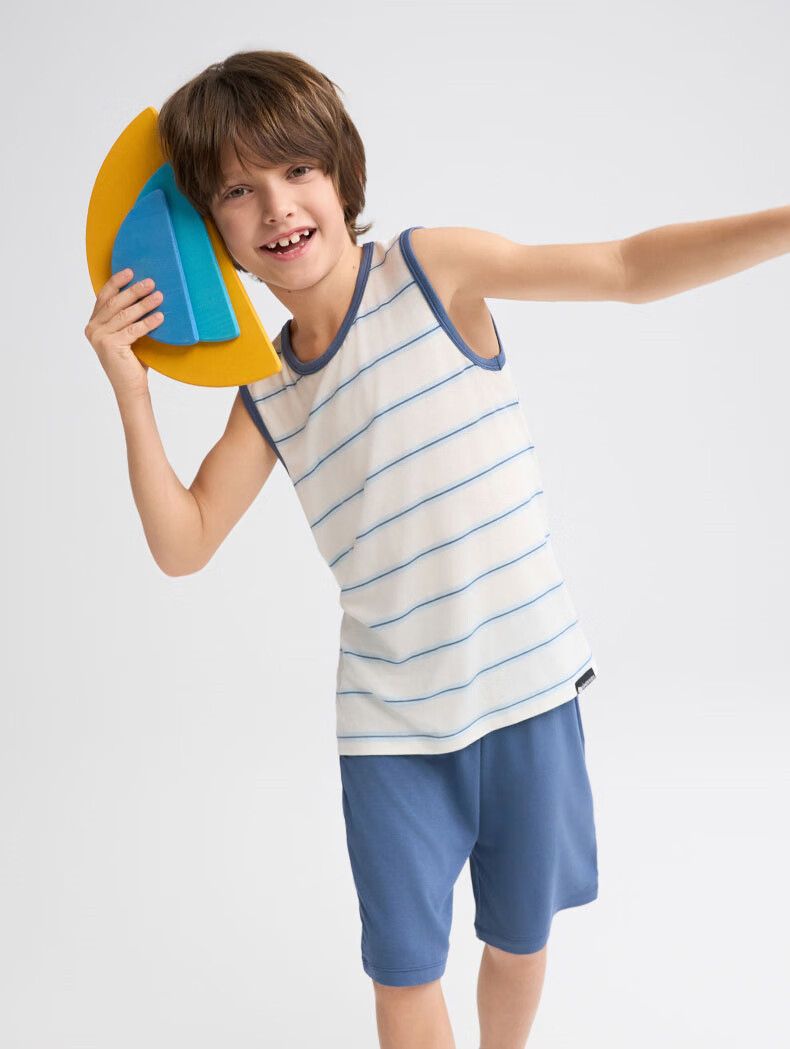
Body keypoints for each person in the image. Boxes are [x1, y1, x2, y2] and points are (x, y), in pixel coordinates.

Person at [84, 49, 790, 1049]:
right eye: (237, 190)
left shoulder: (429, 271)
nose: (276, 205)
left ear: (340, 173)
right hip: (390, 727)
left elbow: (627, 268)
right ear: (212, 229)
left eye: (296, 169)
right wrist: (133, 390)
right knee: (404, 968)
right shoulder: (266, 392)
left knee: (519, 935)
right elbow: (184, 542)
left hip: (527, 687)